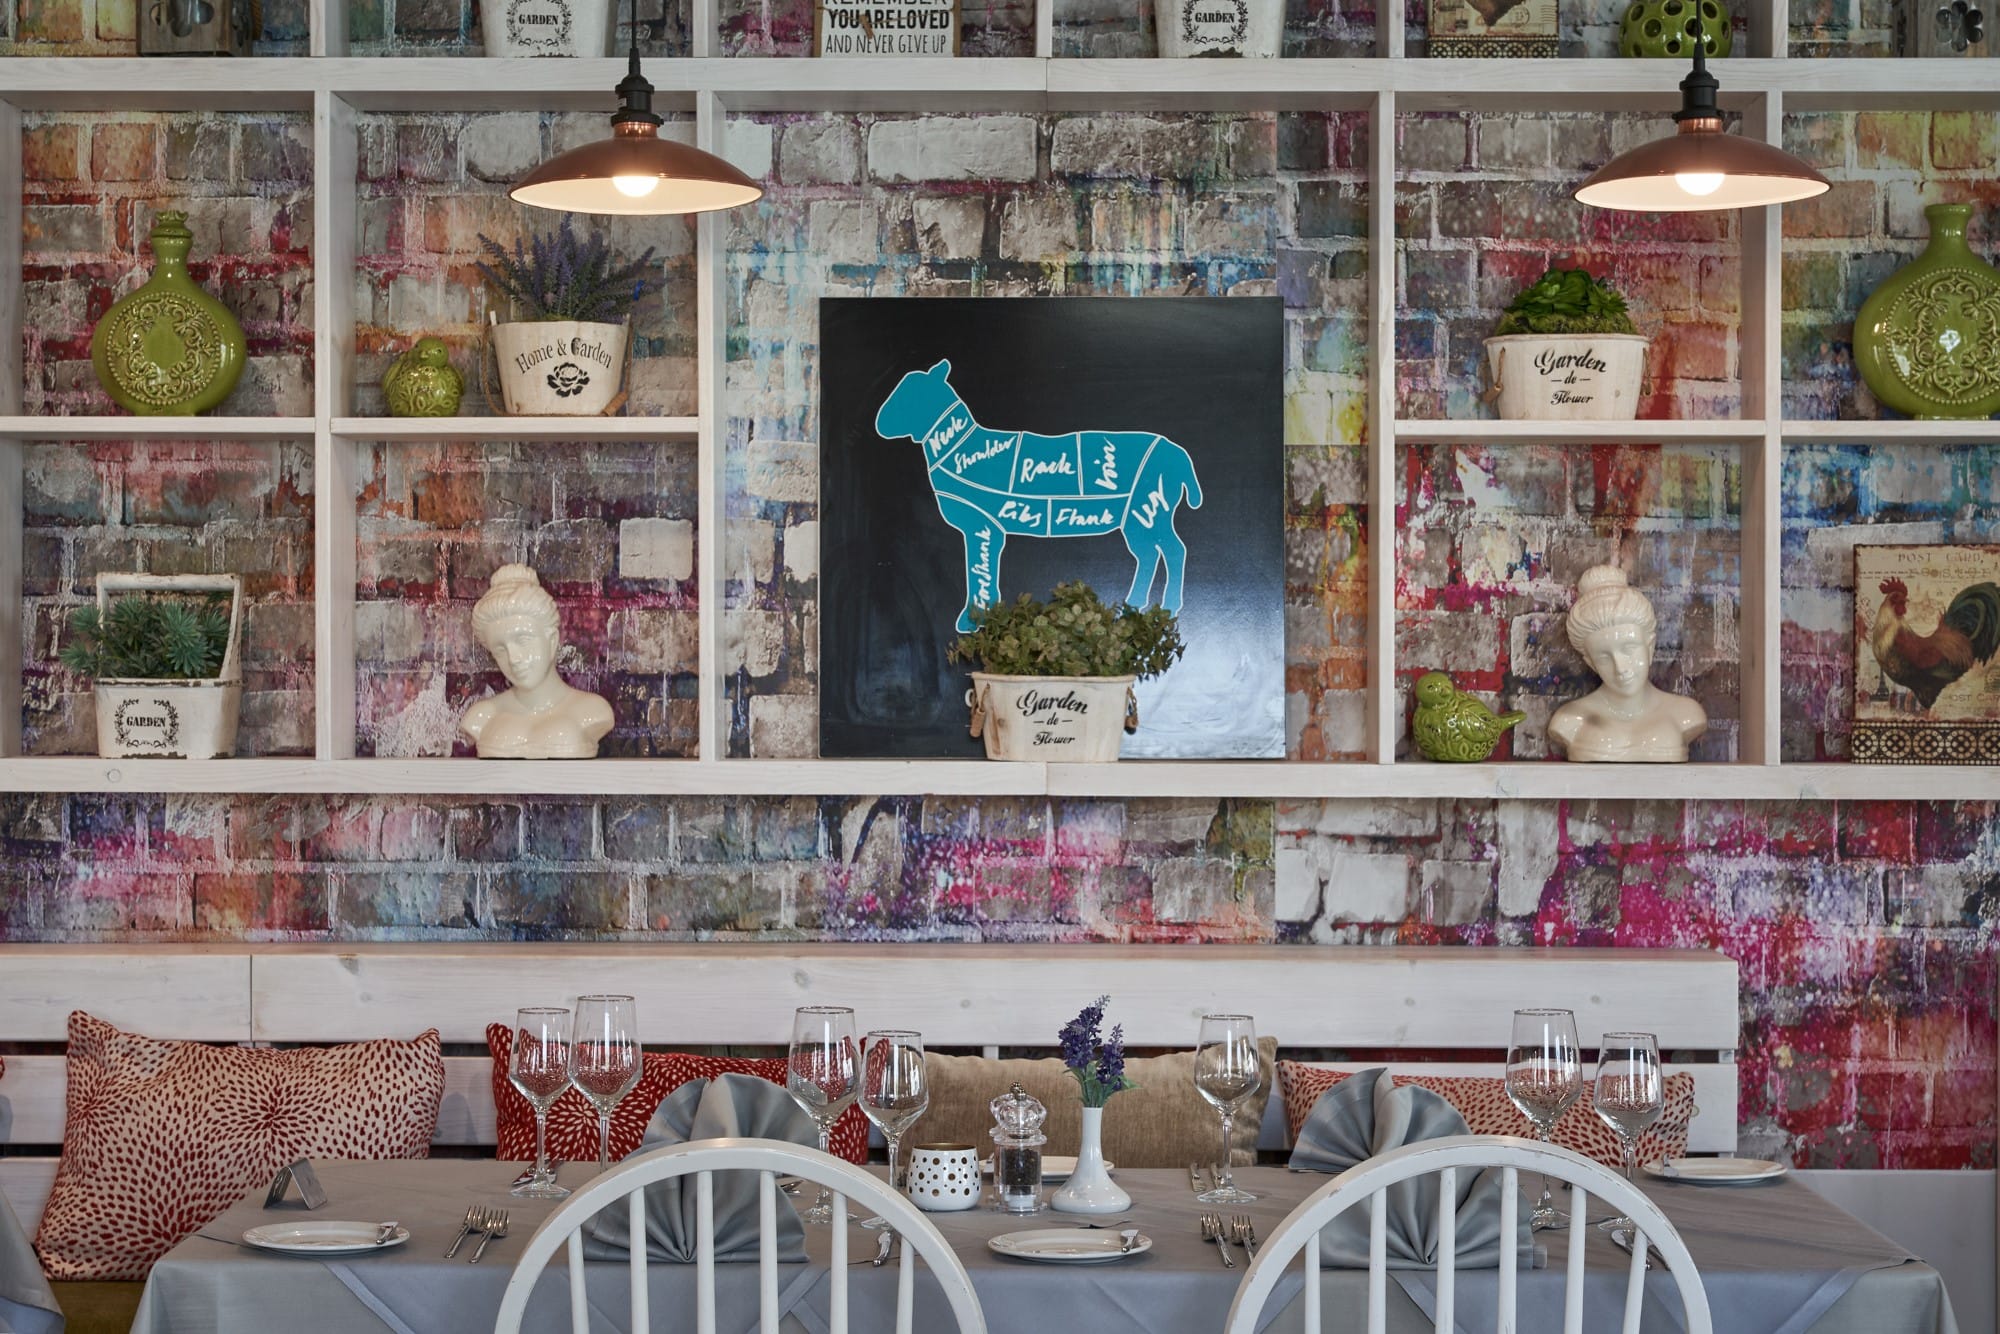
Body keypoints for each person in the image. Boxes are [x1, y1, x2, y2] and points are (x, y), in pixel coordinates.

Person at [1548, 565, 1706, 763]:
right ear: (1590, 662)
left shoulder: (1687, 714)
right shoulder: (1570, 721)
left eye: (1629, 648)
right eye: (1604, 657)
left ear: (1649, 646)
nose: (1621, 668)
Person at [459, 565, 613, 759]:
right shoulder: (480, 717)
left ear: (552, 640)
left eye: (523, 640)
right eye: (500, 649)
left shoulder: (594, 711)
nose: (514, 658)